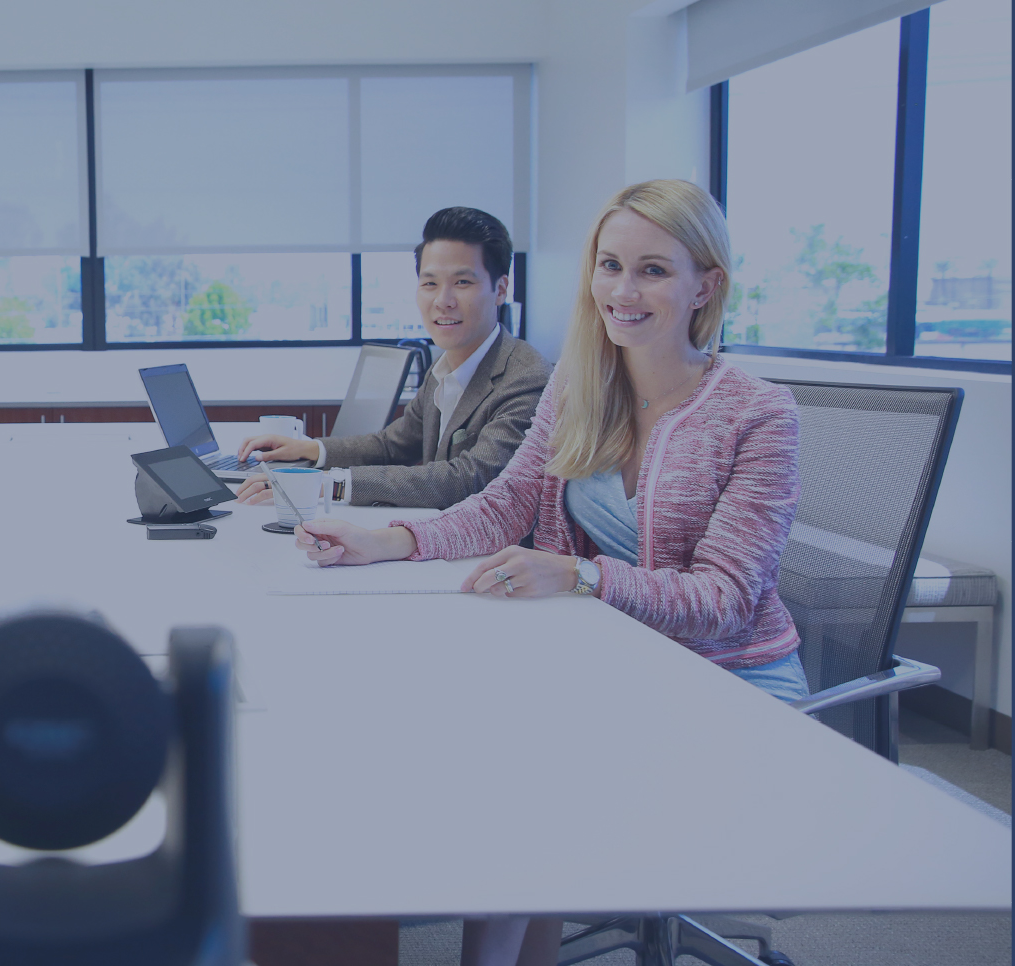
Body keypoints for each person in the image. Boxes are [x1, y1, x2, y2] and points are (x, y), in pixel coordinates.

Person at [296, 180, 804, 966]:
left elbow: (725, 601)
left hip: (728, 679)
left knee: (516, 778)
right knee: (452, 726)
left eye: (653, 271)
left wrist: (581, 576)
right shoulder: (578, 384)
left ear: (706, 285)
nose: (623, 291)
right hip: (611, 654)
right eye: (610, 265)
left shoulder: (757, 413)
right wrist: (387, 540)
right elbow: (505, 505)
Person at [235, 207, 551, 510]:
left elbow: (470, 478)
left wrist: (327, 484)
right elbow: (393, 445)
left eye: (462, 282)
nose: (443, 301)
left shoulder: (526, 378)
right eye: (430, 283)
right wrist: (309, 449)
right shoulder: (444, 367)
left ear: (500, 289)